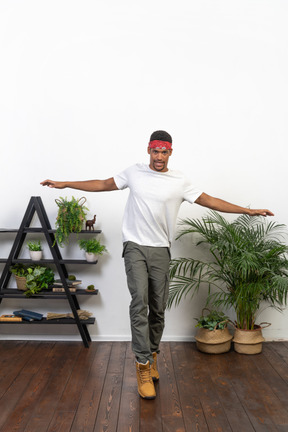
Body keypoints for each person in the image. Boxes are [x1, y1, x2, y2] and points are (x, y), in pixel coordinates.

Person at [41, 130, 274, 400]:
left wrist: (248, 210)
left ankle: (152, 355)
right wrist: (66, 184)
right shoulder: (135, 172)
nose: (159, 156)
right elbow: (104, 184)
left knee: (158, 309)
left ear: (170, 152)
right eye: (155, 151)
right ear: (148, 150)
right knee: (139, 302)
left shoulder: (179, 181)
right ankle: (141, 365)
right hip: (135, 246)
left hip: (161, 249)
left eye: (164, 152)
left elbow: (209, 201)